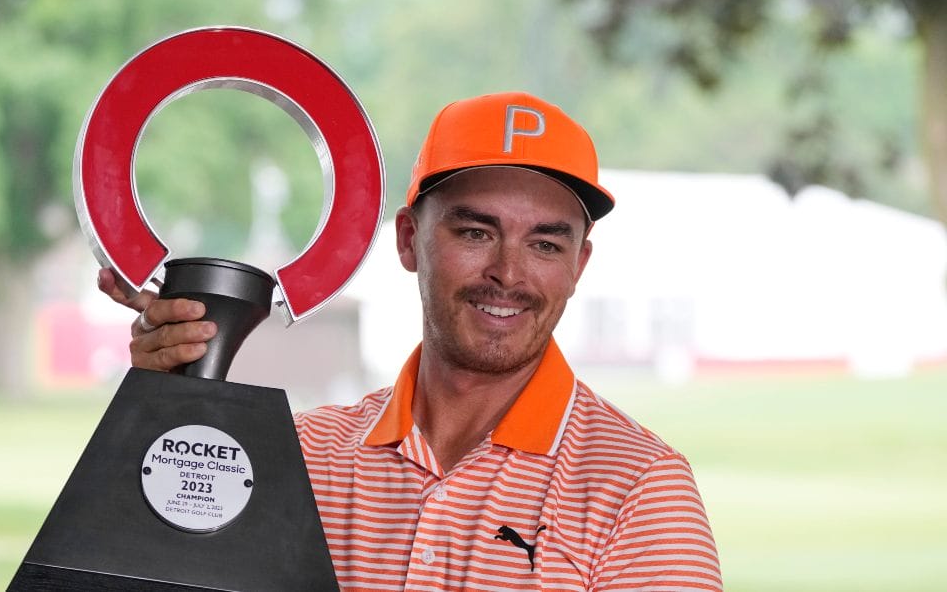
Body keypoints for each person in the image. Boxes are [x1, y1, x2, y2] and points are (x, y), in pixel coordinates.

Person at [100, 91, 722, 590]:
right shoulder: (301, 458)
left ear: (579, 265)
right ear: (407, 241)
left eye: (545, 244)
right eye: (476, 233)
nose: (509, 274)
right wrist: (170, 410)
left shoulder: (638, 487)